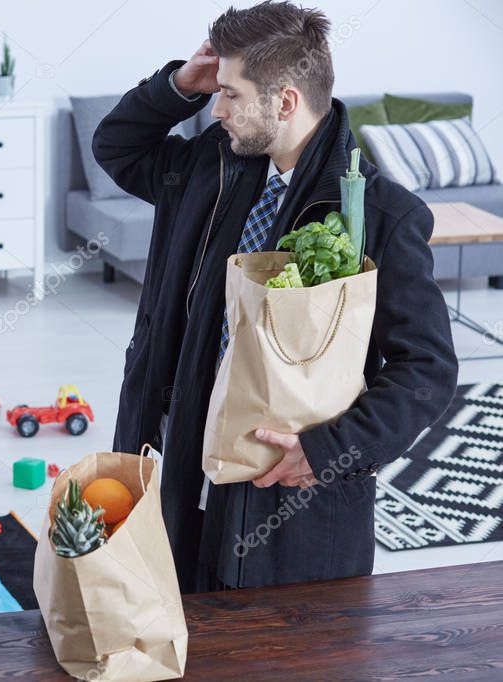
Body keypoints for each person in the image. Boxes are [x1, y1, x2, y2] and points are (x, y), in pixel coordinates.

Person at [93, 0, 458, 593]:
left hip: (287, 505)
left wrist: (331, 449)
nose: (217, 107)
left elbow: (428, 370)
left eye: (232, 94)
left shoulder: (382, 216)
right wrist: (181, 82)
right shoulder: (209, 167)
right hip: (181, 469)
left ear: (284, 101)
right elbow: (116, 147)